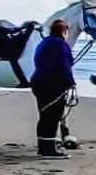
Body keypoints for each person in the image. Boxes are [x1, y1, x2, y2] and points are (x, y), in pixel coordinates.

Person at [30, 18, 76, 158]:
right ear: (64, 31)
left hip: (38, 82)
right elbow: (64, 65)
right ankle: (48, 149)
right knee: (53, 116)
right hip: (53, 85)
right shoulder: (61, 44)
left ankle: (43, 146)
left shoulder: (43, 43)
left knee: (44, 115)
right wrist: (71, 82)